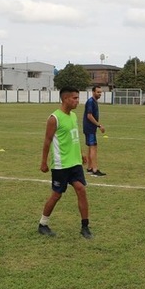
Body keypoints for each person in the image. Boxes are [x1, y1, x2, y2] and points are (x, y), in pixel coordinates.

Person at [39, 87, 93, 239]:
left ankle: (85, 226)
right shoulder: (54, 118)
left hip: (74, 163)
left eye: (78, 97)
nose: (78, 101)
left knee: (81, 190)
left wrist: (81, 153)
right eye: (75, 98)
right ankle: (43, 224)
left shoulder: (74, 116)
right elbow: (47, 141)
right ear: (65, 99)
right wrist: (43, 162)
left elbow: (73, 137)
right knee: (56, 195)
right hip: (61, 164)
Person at [83, 85, 106, 176]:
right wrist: (99, 125)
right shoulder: (90, 102)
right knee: (93, 147)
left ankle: (89, 167)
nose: (100, 94)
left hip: (90, 128)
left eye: (100, 92)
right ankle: (95, 170)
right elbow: (89, 115)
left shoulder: (94, 102)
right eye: (98, 92)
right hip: (89, 128)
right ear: (93, 92)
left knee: (90, 147)